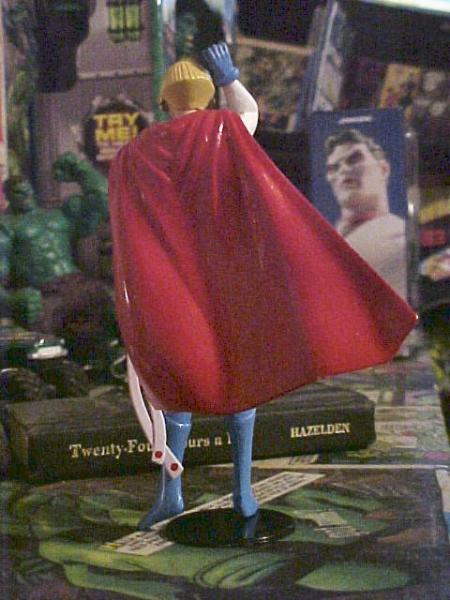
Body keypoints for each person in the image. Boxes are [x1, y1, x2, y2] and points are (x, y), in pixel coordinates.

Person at [109, 43, 416, 531]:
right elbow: (249, 113)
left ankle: (172, 493)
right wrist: (231, 77)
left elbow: (127, 234)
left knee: (173, 389)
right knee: (240, 380)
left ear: (164, 102)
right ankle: (243, 491)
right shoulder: (221, 128)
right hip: (229, 280)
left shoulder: (133, 154)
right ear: (207, 98)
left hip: (168, 289)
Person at [0, 153, 113, 344]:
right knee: (47, 344)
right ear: (9, 196)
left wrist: (81, 169)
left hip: (79, 283)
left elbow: (102, 200)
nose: (26, 196)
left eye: (27, 191)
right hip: (44, 294)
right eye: (19, 193)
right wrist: (12, 301)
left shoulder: (58, 215)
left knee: (119, 318)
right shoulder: (7, 225)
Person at [324, 128, 407, 298]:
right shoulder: (324, 242)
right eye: (334, 167)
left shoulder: (399, 237)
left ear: (383, 169)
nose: (343, 170)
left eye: (354, 159)